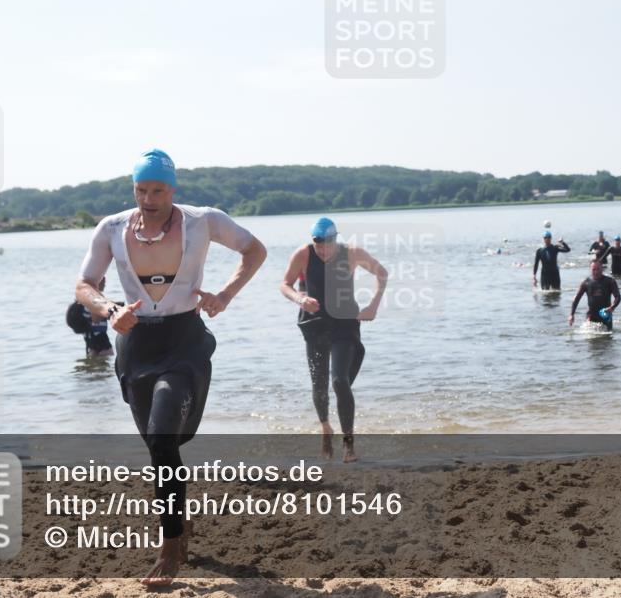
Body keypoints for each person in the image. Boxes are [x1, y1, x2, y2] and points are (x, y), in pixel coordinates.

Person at [75, 149, 266, 586]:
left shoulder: (203, 220)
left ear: (172, 188)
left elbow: (255, 250)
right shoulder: (113, 227)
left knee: (166, 437)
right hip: (136, 343)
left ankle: (170, 545)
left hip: (184, 338)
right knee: (159, 449)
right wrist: (108, 310)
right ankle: (180, 525)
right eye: (141, 189)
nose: (148, 197)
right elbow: (84, 284)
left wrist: (226, 294)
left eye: (157, 189)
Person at [280, 217, 387, 463]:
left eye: (327, 242)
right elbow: (285, 284)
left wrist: (373, 306)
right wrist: (299, 299)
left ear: (336, 239)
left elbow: (382, 273)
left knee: (340, 380)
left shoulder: (352, 253)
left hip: (344, 324)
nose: (322, 248)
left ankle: (349, 444)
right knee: (319, 384)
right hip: (315, 325)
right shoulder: (303, 255)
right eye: (317, 242)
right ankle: (326, 428)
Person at [65, 276, 115, 357]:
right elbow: (96, 319)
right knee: (108, 355)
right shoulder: (95, 297)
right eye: (103, 279)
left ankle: (91, 369)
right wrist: (109, 311)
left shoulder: (86, 297)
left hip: (90, 335)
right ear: (97, 282)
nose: (105, 282)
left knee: (93, 358)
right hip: (98, 335)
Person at [568, 260, 621, 331]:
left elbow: (618, 297)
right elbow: (577, 299)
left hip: (605, 315)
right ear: (590, 269)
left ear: (602, 268)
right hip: (591, 316)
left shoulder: (610, 281)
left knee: (607, 338)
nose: (596, 272)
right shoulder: (586, 282)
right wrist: (572, 314)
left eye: (598, 269)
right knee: (590, 339)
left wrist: (612, 307)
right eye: (593, 269)